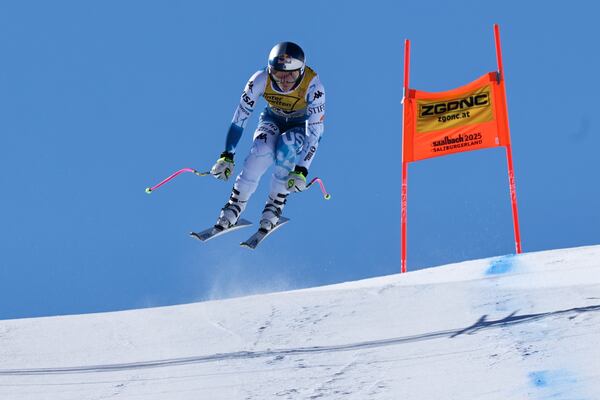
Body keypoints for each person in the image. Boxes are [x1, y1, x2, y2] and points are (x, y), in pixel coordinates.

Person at [209, 41, 326, 231]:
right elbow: (240, 117)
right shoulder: (259, 80)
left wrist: (302, 170)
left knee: (286, 146)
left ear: (302, 71)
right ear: (271, 71)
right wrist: (227, 155)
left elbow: (316, 131)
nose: (285, 81)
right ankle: (235, 204)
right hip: (272, 119)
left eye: (292, 75)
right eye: (279, 75)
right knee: (260, 151)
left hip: (299, 126)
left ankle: (274, 205)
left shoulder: (313, 86)